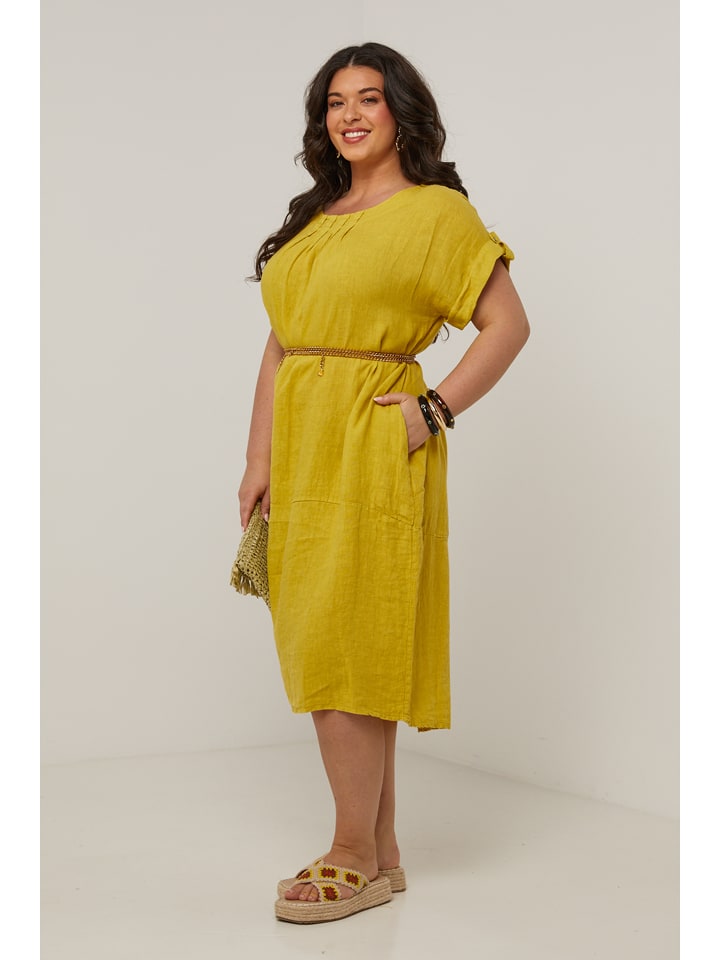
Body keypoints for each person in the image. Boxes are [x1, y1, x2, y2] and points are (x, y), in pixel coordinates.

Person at [237, 41, 530, 924]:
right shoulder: (315, 216)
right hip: (303, 445)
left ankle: (351, 853)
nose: (350, 114)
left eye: (369, 98)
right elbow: (283, 343)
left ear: (402, 112)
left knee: (348, 639)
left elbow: (507, 324)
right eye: (335, 102)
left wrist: (431, 410)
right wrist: (259, 459)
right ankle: (382, 851)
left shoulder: (436, 213)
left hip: (371, 444)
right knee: (327, 633)